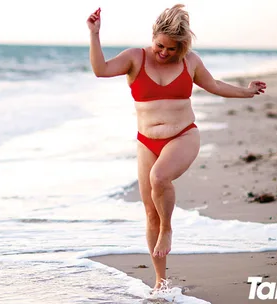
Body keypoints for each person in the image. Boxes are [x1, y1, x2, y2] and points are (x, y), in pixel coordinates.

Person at [87, 4, 266, 290]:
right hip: (146, 141)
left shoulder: (190, 61)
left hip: (183, 135)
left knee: (159, 177)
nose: (165, 53)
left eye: (172, 49)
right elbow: (101, 70)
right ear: (153, 36)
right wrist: (95, 35)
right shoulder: (135, 57)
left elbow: (215, 85)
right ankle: (160, 281)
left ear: (181, 46)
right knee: (149, 212)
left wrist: (246, 91)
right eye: (160, 46)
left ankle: (168, 230)